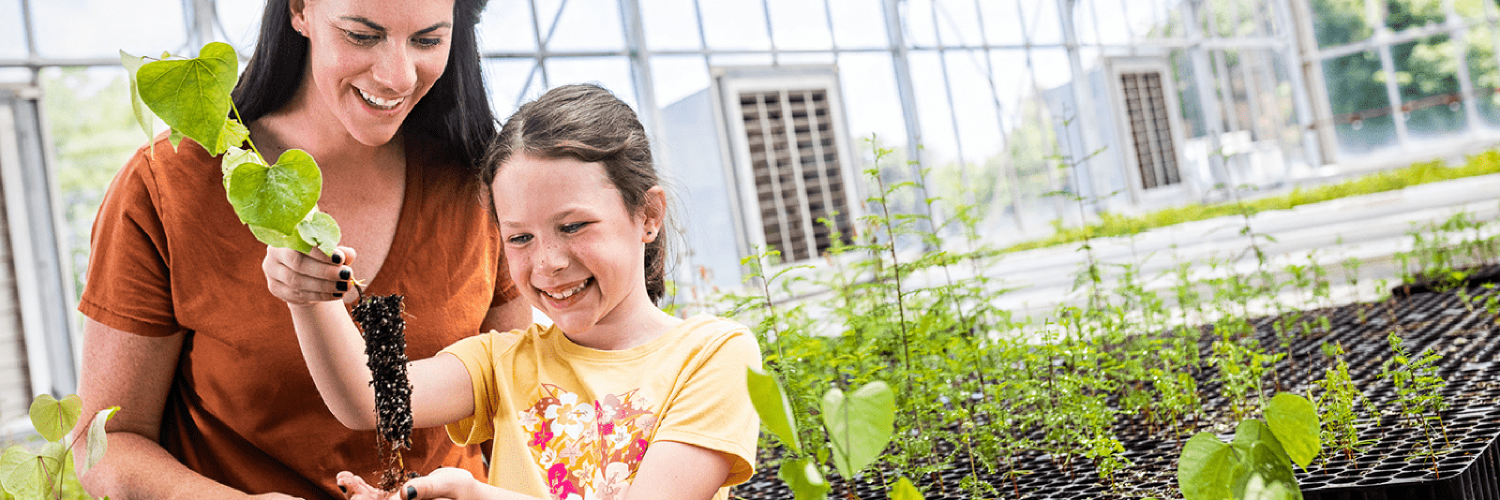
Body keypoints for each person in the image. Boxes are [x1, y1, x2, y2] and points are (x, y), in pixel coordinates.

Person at [73, 0, 532, 498]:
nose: (397, 77)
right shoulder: (167, 186)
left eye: (427, 40)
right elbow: (106, 441)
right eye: (362, 35)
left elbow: (520, 415)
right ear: (300, 10)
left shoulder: (483, 179)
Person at [261, 84, 762, 500]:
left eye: (573, 226)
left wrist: (476, 495)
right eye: (519, 237)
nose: (548, 263)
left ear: (648, 215)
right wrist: (305, 292)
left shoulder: (714, 354)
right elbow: (370, 400)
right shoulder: (500, 361)